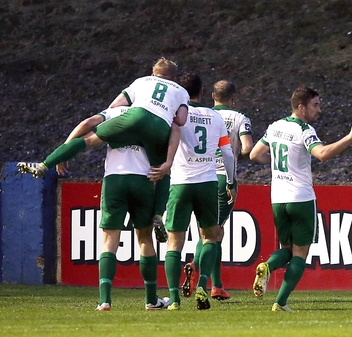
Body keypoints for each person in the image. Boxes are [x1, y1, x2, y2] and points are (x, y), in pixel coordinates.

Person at [18, 57, 190, 243]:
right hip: (158, 132)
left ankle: (45, 165)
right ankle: (158, 214)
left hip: (131, 124)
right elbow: (179, 121)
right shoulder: (181, 91)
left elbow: (112, 106)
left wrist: (66, 148)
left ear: (152, 73)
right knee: (163, 171)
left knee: (88, 140)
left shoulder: (141, 82)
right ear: (174, 78)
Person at [250, 87, 352, 311]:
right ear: (301, 107)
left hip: (278, 198)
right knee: (300, 254)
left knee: (286, 249)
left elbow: (255, 154)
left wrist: (276, 161)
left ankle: (267, 266)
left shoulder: (275, 126)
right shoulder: (304, 130)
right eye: (315, 105)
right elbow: (322, 154)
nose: (319, 110)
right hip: (301, 197)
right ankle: (280, 303)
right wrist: (351, 137)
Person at [64, 107, 170, 311]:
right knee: (145, 240)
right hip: (143, 179)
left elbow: (87, 123)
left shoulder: (116, 112)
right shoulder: (153, 118)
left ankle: (104, 300)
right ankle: (151, 300)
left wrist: (67, 149)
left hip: (114, 179)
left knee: (109, 240)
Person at [163, 72, 235, 311]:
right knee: (211, 236)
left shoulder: (174, 115)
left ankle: (174, 299)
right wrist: (231, 181)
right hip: (207, 183)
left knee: (174, 242)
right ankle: (203, 284)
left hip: (181, 183)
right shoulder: (214, 117)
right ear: (203, 92)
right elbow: (227, 153)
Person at [182, 80, 253, 302]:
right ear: (234, 97)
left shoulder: (203, 115)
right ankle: (196, 267)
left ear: (212, 95)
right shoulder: (241, 118)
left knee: (211, 231)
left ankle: (217, 286)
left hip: (200, 176)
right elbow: (249, 148)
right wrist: (233, 156)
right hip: (224, 178)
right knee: (213, 233)